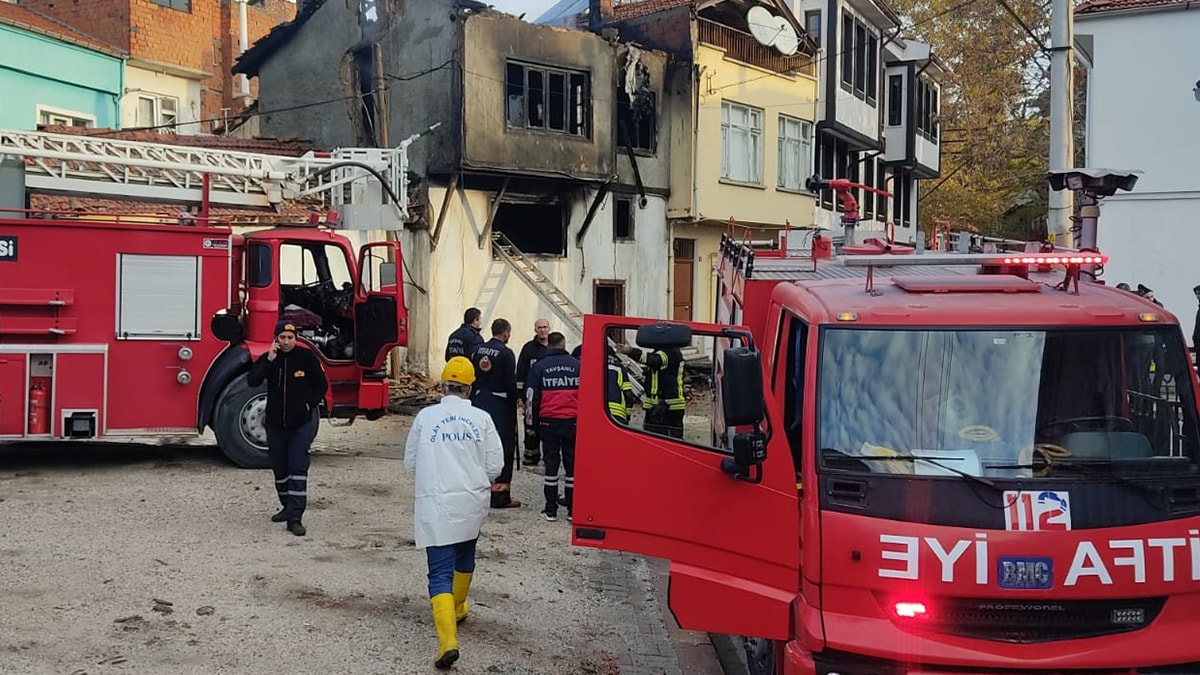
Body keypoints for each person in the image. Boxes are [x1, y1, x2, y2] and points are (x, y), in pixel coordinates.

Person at [404, 356, 503, 670]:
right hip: (470, 501)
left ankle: (447, 641)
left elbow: (410, 463)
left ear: (443, 386)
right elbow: (495, 466)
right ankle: (458, 607)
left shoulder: (426, 417)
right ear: (470, 388)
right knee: (465, 555)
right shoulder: (483, 419)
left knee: (439, 573)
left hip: (437, 504)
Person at [246, 320, 328, 537]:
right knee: (280, 469)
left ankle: (295, 518)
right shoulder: (269, 358)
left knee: (297, 467)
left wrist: (309, 404)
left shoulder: (306, 357)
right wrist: (269, 360)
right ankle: (286, 506)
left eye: (290, 338)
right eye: (282, 338)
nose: (286, 342)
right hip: (275, 426)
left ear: (296, 339)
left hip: (300, 425)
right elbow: (252, 381)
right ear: (276, 339)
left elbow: (321, 385)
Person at [526, 332, 580, 521]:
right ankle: (573, 510)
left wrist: (531, 425)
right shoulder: (578, 366)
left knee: (551, 465)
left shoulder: (540, 366)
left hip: (548, 422)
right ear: (564, 344)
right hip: (573, 422)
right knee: (572, 466)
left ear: (548, 344)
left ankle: (550, 509)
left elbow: (531, 398)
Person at [469, 318, 522, 508]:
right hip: (500, 405)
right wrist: (517, 398)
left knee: (479, 446)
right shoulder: (506, 353)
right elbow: (510, 382)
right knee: (503, 446)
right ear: (506, 333)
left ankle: (478, 491)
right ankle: (500, 494)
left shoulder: (477, 350)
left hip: (479, 401)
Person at [616, 341, 686, 438]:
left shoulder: (670, 352)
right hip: (658, 407)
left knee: (666, 442)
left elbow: (655, 360)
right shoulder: (668, 351)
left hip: (668, 409)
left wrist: (630, 351)